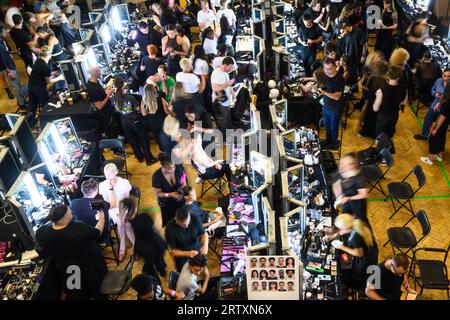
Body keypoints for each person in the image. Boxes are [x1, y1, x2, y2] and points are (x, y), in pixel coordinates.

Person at [35, 205, 107, 300]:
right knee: (96, 290)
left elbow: (40, 245)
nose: (72, 213)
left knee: (78, 293)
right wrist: (101, 219)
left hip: (68, 270)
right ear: (66, 218)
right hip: (87, 266)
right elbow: (97, 233)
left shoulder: (41, 232)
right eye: (70, 212)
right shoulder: (78, 227)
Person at [324, 213, 378, 290]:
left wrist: (342, 247)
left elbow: (359, 253)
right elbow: (342, 231)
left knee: (359, 273)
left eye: (340, 228)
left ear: (347, 227)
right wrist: (333, 236)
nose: (339, 231)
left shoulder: (355, 237)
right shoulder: (356, 223)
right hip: (370, 247)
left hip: (366, 258)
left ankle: (357, 288)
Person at [110, 77, 157, 165]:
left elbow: (116, 110)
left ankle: (139, 157)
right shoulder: (129, 97)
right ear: (123, 84)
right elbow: (139, 109)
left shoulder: (113, 99)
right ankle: (149, 159)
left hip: (124, 122)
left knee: (133, 140)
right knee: (143, 139)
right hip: (135, 121)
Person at [98, 163, 133, 261]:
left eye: (110, 174)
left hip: (123, 207)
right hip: (111, 209)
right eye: (106, 174)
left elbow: (126, 200)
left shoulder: (124, 182)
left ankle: (124, 244)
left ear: (116, 172)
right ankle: (126, 244)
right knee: (123, 222)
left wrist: (122, 210)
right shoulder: (102, 185)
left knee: (127, 223)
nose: (107, 176)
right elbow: (108, 205)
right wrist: (110, 190)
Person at [127, 201, 166, 278]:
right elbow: (155, 229)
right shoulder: (144, 216)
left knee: (151, 261)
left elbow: (134, 238)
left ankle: (157, 272)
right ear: (135, 209)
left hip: (143, 247)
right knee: (159, 259)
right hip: (154, 242)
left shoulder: (130, 223)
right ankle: (162, 270)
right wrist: (160, 238)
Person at [27, 46, 63, 125]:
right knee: (46, 107)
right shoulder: (46, 66)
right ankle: (49, 123)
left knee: (32, 107)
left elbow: (41, 73)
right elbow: (49, 81)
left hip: (31, 86)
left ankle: (30, 123)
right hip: (40, 89)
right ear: (50, 55)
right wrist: (59, 78)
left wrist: (53, 73)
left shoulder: (38, 61)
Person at [165, 206, 209, 272]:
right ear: (177, 220)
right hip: (182, 257)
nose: (187, 226)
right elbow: (172, 251)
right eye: (184, 225)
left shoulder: (194, 217)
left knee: (199, 268)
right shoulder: (169, 229)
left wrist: (205, 245)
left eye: (188, 222)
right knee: (186, 273)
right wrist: (187, 253)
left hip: (197, 250)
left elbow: (203, 234)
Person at [332, 152, 370, 224]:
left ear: (352, 166)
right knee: (346, 216)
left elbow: (364, 194)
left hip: (357, 201)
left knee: (361, 219)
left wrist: (349, 198)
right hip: (346, 198)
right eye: (341, 163)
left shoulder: (359, 178)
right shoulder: (342, 169)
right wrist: (338, 196)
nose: (341, 166)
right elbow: (336, 183)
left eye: (344, 165)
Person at [69, 178, 110, 243]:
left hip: (81, 234)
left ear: (82, 190)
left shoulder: (74, 203)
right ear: (96, 191)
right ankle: (104, 241)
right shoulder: (101, 203)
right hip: (98, 234)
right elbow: (108, 205)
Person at [152, 153, 187, 227]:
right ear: (163, 166)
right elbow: (158, 193)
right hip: (168, 203)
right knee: (172, 223)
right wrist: (170, 194)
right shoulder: (156, 176)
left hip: (179, 198)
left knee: (183, 218)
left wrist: (181, 191)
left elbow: (184, 182)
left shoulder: (178, 168)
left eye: (173, 167)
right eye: (169, 168)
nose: (172, 170)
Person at [414, 68, 450, 141]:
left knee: (439, 125)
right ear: (442, 75)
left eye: (448, 76)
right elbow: (432, 90)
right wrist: (435, 94)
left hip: (444, 108)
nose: (446, 78)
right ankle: (424, 135)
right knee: (427, 119)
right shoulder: (438, 81)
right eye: (445, 75)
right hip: (434, 104)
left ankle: (433, 140)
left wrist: (443, 97)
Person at [318, 57, 345, 150]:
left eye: (329, 68)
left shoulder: (340, 79)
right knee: (326, 125)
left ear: (335, 67)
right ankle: (328, 141)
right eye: (325, 68)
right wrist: (316, 88)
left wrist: (324, 93)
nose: (327, 71)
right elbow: (324, 85)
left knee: (333, 127)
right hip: (326, 105)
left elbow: (337, 96)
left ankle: (333, 144)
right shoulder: (325, 74)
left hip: (335, 108)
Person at [373, 65, 407, 138]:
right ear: (399, 77)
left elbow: (375, 108)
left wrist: (378, 96)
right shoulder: (404, 89)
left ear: (388, 75)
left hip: (383, 117)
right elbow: (403, 103)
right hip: (394, 116)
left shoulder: (382, 90)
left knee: (380, 138)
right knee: (389, 135)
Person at [420, 83, 450, 165]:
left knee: (434, 137)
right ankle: (439, 156)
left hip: (443, 122)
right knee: (442, 137)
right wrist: (439, 103)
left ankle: (430, 158)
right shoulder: (448, 100)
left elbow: (442, 117)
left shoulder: (448, 104)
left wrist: (435, 128)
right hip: (447, 123)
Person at [85, 66, 115, 139]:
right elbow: (99, 106)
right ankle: (114, 146)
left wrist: (105, 89)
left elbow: (99, 91)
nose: (100, 73)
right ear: (95, 74)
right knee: (110, 131)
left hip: (108, 109)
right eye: (99, 71)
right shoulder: (92, 89)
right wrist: (108, 96)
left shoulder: (94, 81)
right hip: (104, 113)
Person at [0, 26, 26, 108]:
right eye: (4, 32)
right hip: (8, 69)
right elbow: (2, 60)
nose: (6, 33)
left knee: (18, 84)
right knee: (15, 87)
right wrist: (8, 72)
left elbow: (5, 53)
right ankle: (21, 103)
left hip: (10, 66)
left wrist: (13, 52)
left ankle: (22, 100)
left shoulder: (1, 41)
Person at [211, 57, 235, 139]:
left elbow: (228, 84)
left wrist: (232, 92)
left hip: (226, 102)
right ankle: (225, 139)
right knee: (223, 122)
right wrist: (227, 84)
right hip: (220, 103)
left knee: (227, 120)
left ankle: (230, 135)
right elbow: (216, 88)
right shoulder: (216, 74)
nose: (230, 69)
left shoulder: (225, 72)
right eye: (229, 67)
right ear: (224, 65)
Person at [141, 83, 171, 148]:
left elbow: (144, 114)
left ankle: (162, 150)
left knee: (158, 137)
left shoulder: (144, 101)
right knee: (167, 137)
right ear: (154, 90)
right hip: (163, 121)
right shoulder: (160, 99)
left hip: (152, 123)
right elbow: (167, 111)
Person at [298, 13, 323, 77]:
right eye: (305, 23)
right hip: (304, 49)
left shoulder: (316, 27)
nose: (307, 25)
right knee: (305, 65)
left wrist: (313, 41)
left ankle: (312, 77)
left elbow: (321, 39)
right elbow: (299, 38)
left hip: (313, 50)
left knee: (312, 65)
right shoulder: (302, 27)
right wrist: (302, 42)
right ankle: (307, 78)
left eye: (308, 23)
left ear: (310, 20)